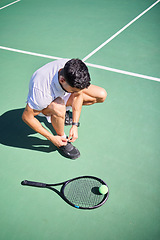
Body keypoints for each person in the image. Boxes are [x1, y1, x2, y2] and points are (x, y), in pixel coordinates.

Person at [22, 58, 107, 159]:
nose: (77, 91)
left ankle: (63, 112)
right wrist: (51, 138)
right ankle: (62, 140)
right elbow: (27, 117)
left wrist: (75, 125)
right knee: (58, 107)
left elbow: (77, 95)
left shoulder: (72, 69)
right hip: (46, 106)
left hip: (63, 92)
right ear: (62, 80)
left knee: (101, 94)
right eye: (74, 90)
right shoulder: (42, 93)